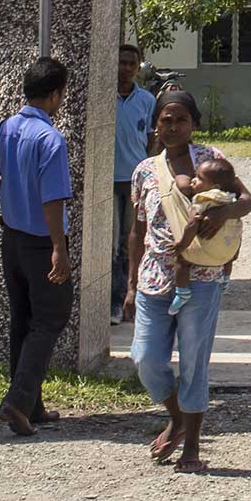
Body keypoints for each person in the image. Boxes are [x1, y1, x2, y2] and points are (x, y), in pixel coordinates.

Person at [125, 90, 251, 471]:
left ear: (194, 124)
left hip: (203, 276)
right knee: (145, 358)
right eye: (165, 120)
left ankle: (192, 445)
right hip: (154, 274)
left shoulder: (212, 161)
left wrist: (224, 211)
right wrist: (131, 284)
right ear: (155, 124)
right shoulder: (145, 171)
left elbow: (248, 201)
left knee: (194, 361)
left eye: (181, 119)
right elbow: (137, 229)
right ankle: (177, 416)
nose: (172, 126)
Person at [0, 57, 73, 437]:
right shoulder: (50, 139)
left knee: (23, 319)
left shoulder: (2, 129)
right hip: (41, 241)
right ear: (55, 94)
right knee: (50, 318)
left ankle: (32, 404)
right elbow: (53, 200)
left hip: (11, 239)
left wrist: (13, 194)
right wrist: (59, 249)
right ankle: (17, 401)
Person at [112, 44, 155, 325]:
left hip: (135, 181)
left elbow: (152, 138)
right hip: (108, 180)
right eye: (122, 62)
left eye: (132, 63)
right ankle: (112, 304)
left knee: (133, 242)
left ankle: (130, 298)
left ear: (138, 66)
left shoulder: (147, 100)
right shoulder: (104, 96)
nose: (126, 68)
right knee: (112, 244)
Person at [168, 156, 240, 315]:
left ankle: (182, 292)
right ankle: (226, 279)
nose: (193, 181)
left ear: (214, 186)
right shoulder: (231, 199)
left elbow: (192, 224)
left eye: (199, 178)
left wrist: (182, 244)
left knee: (182, 260)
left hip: (206, 251)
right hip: (228, 252)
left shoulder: (202, 199)